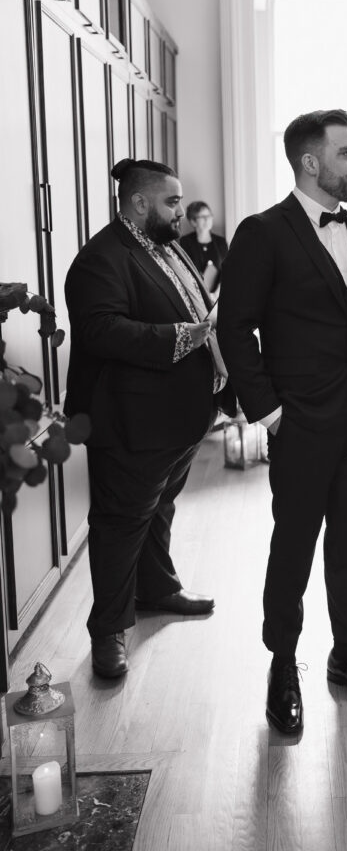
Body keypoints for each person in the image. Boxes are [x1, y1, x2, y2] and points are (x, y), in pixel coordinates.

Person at [217, 108, 347, 736]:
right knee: (293, 545)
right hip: (298, 421)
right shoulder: (263, 233)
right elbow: (234, 327)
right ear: (311, 162)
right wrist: (269, 412)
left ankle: (346, 653)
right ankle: (282, 662)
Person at [64, 158, 235, 679]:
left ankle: (157, 588)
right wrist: (186, 336)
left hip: (181, 419)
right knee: (120, 524)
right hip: (131, 423)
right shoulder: (101, 258)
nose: (181, 212)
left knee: (159, 507)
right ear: (139, 203)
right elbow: (101, 331)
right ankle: (109, 631)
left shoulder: (168, 247)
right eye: (172, 201)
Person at [179, 201, 229, 295]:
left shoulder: (221, 242)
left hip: (218, 296)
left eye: (209, 216)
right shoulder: (185, 242)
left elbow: (227, 271)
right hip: (195, 295)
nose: (207, 220)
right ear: (193, 221)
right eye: (202, 217)